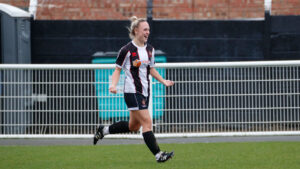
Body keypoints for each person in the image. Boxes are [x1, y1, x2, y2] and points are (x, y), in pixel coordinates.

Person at [93, 16, 175, 163]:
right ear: (136, 31)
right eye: (145, 29)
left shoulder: (150, 49)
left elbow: (151, 69)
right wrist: (112, 85)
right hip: (131, 92)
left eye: (149, 29)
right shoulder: (127, 50)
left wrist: (163, 81)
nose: (147, 32)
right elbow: (117, 70)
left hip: (145, 92)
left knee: (133, 126)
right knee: (147, 122)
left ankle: (103, 130)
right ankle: (158, 154)